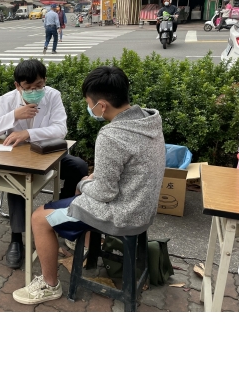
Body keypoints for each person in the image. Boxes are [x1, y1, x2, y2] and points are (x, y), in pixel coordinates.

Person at [12, 65, 166, 305]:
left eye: (89, 103)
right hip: (143, 208)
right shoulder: (148, 120)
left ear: (102, 106)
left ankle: (50, 285)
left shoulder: (111, 135)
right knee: (82, 185)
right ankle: (81, 243)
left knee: (39, 218)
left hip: (122, 214)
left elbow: (104, 192)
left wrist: (84, 184)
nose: (89, 108)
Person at [0, 59, 89, 269]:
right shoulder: (7, 100)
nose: (35, 91)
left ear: (45, 81)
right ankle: (16, 238)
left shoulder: (53, 95)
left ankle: (63, 217)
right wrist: (14, 116)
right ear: (17, 86)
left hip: (47, 154)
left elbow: (61, 129)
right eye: (29, 87)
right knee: (16, 178)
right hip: (20, 158)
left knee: (78, 166)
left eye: (39, 85)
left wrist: (28, 133)